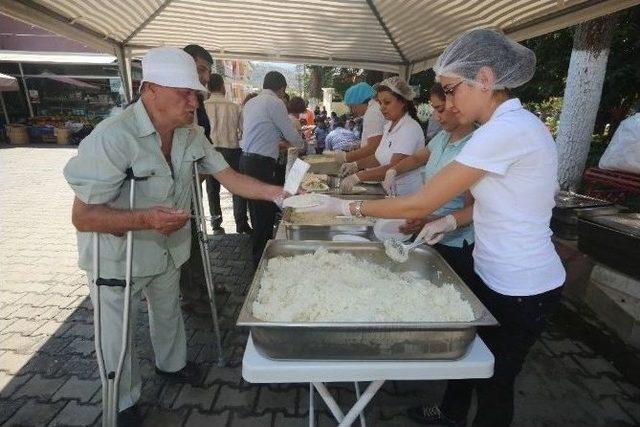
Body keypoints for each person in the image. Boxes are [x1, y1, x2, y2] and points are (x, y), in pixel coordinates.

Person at [303, 28, 565, 427]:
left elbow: (424, 199)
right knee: (470, 360)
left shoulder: (506, 129)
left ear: (486, 79)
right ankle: (449, 413)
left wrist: (346, 206)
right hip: (494, 270)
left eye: (452, 89)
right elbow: (496, 204)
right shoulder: (505, 127)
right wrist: (448, 220)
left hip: (523, 283)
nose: (449, 103)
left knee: (494, 380)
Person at [63, 47, 289, 426]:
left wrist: (276, 193)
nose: (194, 98)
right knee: (116, 336)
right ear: (149, 89)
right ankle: (121, 401)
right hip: (119, 254)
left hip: (167, 250)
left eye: (196, 91)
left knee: (168, 313)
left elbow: (229, 177)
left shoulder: (191, 134)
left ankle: (172, 365)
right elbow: (83, 216)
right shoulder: (114, 137)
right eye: (183, 91)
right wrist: (147, 218)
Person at [384, 82, 476, 284]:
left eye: (440, 109)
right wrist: (394, 170)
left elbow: (471, 210)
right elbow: (417, 159)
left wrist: (432, 220)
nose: (436, 117)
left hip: (455, 244)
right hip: (429, 232)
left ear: (457, 105)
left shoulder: (474, 146)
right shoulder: (443, 137)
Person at [240, 71, 305, 266]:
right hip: (261, 165)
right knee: (265, 216)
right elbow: (291, 135)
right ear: (282, 89)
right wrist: (303, 144)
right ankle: (262, 262)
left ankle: (258, 256)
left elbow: (262, 132)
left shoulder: (251, 103)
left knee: (257, 214)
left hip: (247, 160)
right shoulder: (275, 103)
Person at [339, 76, 424, 195]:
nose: (382, 107)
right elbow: (379, 157)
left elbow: (393, 167)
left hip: (406, 193)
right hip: (389, 191)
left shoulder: (409, 128)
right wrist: (355, 165)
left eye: (387, 102)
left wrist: (358, 176)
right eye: (380, 102)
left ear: (402, 102)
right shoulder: (388, 126)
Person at [180, 44, 215, 314]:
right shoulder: (177, 98)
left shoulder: (197, 100)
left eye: (207, 71)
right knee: (184, 237)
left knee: (196, 233)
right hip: (178, 182)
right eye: (201, 69)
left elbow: (203, 141)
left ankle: (203, 285)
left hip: (196, 175)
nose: (205, 77)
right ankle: (190, 294)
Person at [203, 73, 252, 235]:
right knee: (236, 186)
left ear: (208, 87)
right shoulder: (234, 107)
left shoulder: (202, 106)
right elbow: (243, 131)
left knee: (212, 188)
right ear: (222, 86)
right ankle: (241, 223)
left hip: (209, 150)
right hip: (232, 150)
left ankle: (216, 224)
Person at [329, 82, 386, 168]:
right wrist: (360, 144)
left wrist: (346, 157)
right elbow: (377, 139)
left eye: (352, 107)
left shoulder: (373, 113)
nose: (352, 111)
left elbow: (373, 147)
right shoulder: (373, 109)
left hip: (378, 167)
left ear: (358, 102)